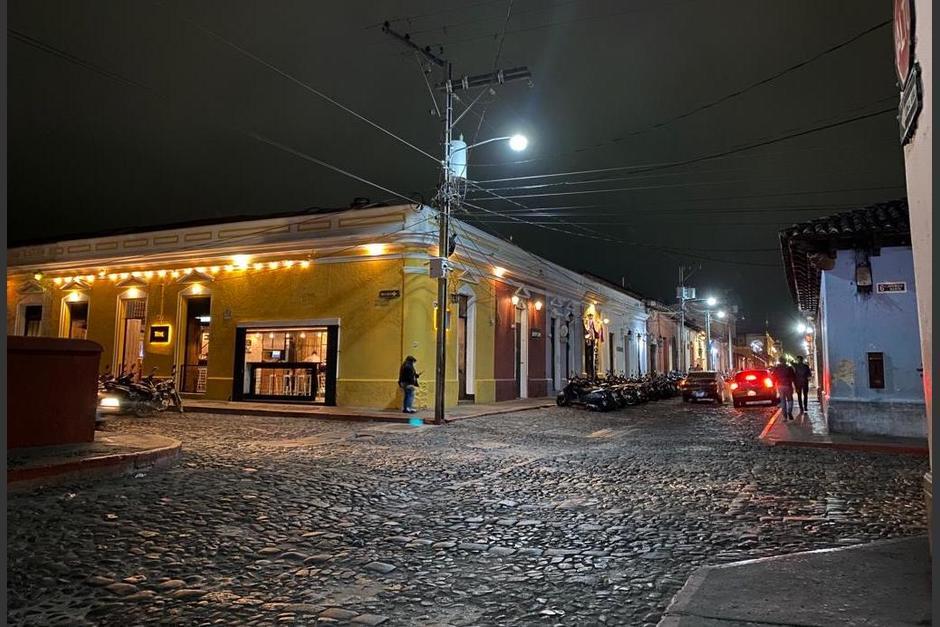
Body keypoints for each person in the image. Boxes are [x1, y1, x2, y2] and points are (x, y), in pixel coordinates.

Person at [770, 356, 796, 420]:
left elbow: (773, 377)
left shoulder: (776, 369)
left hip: (780, 386)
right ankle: (789, 411)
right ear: (785, 361)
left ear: (779, 361)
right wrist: (794, 385)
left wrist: (773, 385)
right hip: (788, 386)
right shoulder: (789, 368)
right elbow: (793, 377)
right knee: (790, 399)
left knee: (783, 401)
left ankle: (785, 417)